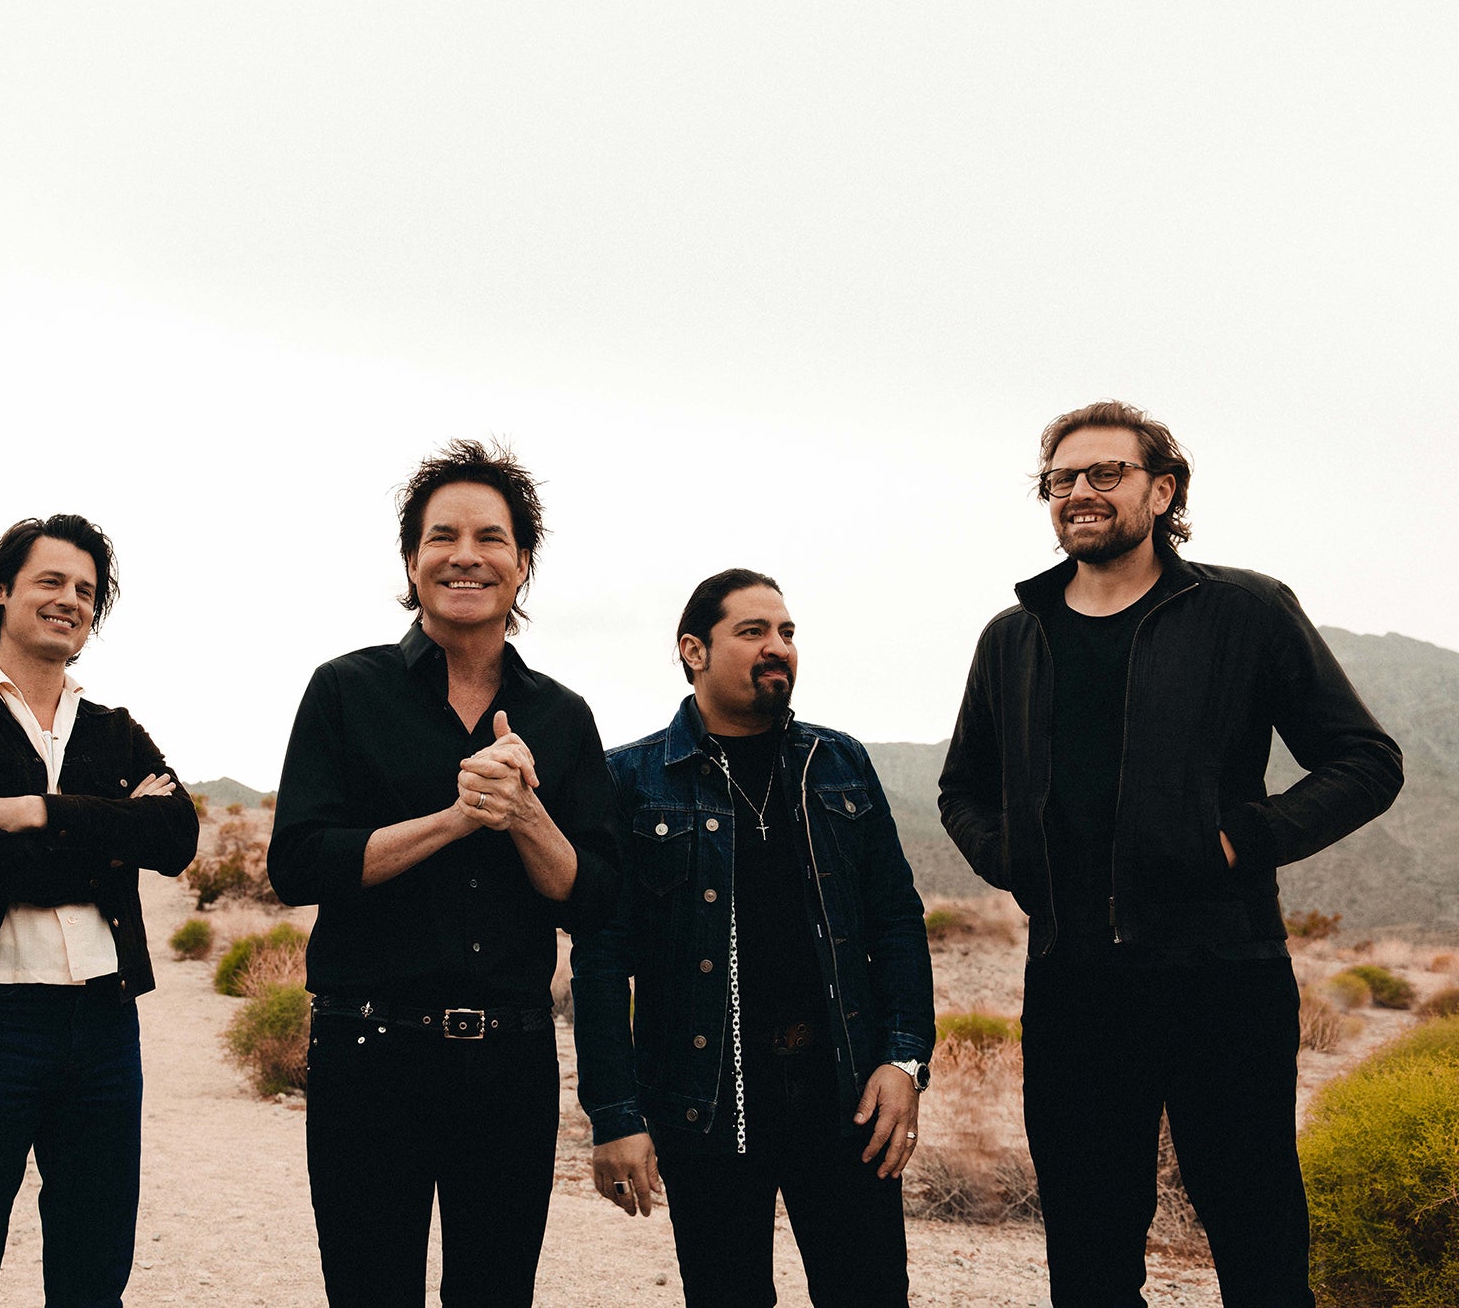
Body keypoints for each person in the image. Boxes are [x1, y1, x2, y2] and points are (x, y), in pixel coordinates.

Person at [938, 402, 1404, 1308]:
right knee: (1089, 1260)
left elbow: (1364, 761)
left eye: (1105, 473)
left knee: (1259, 1246)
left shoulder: (1244, 612)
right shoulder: (1014, 636)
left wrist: (1240, 840)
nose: (1080, 491)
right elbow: (964, 789)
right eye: (1061, 478)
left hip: (1222, 977)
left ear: (1163, 491)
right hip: (1071, 985)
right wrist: (1016, 862)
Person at [267, 439, 619, 1307]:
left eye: (491, 538)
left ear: (522, 564)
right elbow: (299, 862)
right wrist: (457, 818)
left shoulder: (562, 717)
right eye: (443, 537)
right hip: (367, 1052)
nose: (467, 555)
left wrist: (525, 814)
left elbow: (597, 898)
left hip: (511, 1063)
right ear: (411, 561)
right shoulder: (345, 691)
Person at [573, 568, 933, 1308]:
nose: (778, 647)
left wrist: (903, 1059)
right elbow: (602, 961)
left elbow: (897, 920)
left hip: (846, 1096)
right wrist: (615, 1116)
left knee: (869, 1293)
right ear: (694, 651)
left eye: (787, 632)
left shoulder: (838, 763)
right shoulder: (633, 780)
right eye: (753, 631)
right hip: (705, 1104)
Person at [0, 514, 197, 1308]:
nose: (71, 601)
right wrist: (113, 830)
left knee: (94, 1274)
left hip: (104, 1028)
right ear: (0, 590)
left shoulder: (113, 730)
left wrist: (41, 812)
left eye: (87, 592)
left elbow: (176, 837)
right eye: (52, 581)